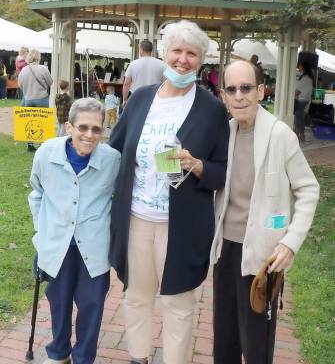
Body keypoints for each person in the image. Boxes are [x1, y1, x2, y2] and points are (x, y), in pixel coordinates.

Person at [108, 20, 229, 364]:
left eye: (192, 53)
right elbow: (114, 149)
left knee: (178, 304)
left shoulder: (212, 110)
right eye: (176, 50)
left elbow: (222, 172)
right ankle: (139, 357)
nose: (182, 59)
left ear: (201, 60)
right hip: (135, 219)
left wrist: (197, 165)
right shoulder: (141, 98)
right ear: (164, 54)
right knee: (136, 296)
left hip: (183, 225)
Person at [211, 60, 320, 364]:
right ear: (223, 96)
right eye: (231, 89)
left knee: (257, 347)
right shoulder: (225, 132)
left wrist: (290, 242)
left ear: (260, 91)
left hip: (263, 257)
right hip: (226, 251)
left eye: (246, 88)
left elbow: (309, 189)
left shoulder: (280, 135)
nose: (239, 96)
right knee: (225, 342)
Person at [28, 98, 121, 364]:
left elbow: (119, 198)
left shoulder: (113, 160)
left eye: (96, 129)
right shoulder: (46, 154)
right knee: (59, 302)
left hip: (94, 247)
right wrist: (42, 231)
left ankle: (83, 358)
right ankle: (58, 354)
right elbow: (37, 194)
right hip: (56, 244)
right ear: (68, 126)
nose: (89, 135)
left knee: (92, 306)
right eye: (83, 127)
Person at [18, 49, 53, 151]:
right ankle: (43, 144)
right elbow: (50, 82)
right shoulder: (43, 68)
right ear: (38, 57)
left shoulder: (24, 70)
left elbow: (20, 84)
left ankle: (30, 144)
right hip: (42, 98)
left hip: (28, 98)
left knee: (29, 121)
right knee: (43, 121)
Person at [122, 39, 165, 106]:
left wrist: (124, 99)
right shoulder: (161, 64)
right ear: (151, 50)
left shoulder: (133, 64)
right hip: (154, 98)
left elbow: (126, 83)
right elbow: (165, 83)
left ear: (141, 49)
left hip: (137, 98)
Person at [294, 60, 314, 142]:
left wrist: (294, 96)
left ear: (303, 67)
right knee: (299, 117)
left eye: (300, 65)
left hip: (301, 100)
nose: (299, 67)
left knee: (298, 118)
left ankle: (301, 134)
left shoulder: (305, 78)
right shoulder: (306, 77)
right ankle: (298, 133)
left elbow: (298, 90)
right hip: (303, 100)